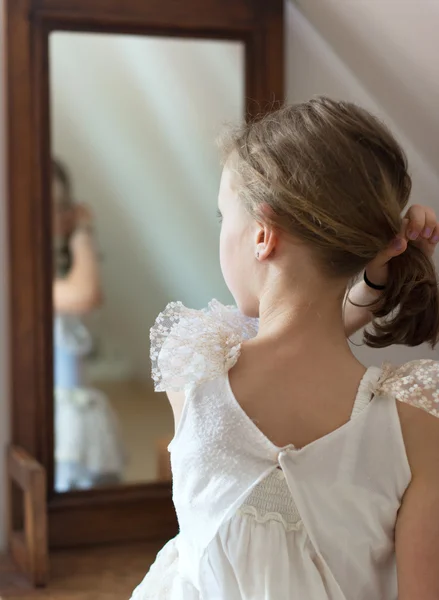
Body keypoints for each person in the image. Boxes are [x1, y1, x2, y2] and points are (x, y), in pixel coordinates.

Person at [131, 98, 439, 599]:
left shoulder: (194, 369)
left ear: (262, 233)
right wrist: (378, 275)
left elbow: (292, 337)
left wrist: (376, 277)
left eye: (222, 217)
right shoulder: (418, 427)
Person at [52, 159, 125, 491]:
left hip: (76, 409)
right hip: (56, 418)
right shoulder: (21, 270)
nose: (57, 217)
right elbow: (86, 294)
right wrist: (83, 231)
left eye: (61, 206)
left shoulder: (56, 270)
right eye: (48, 205)